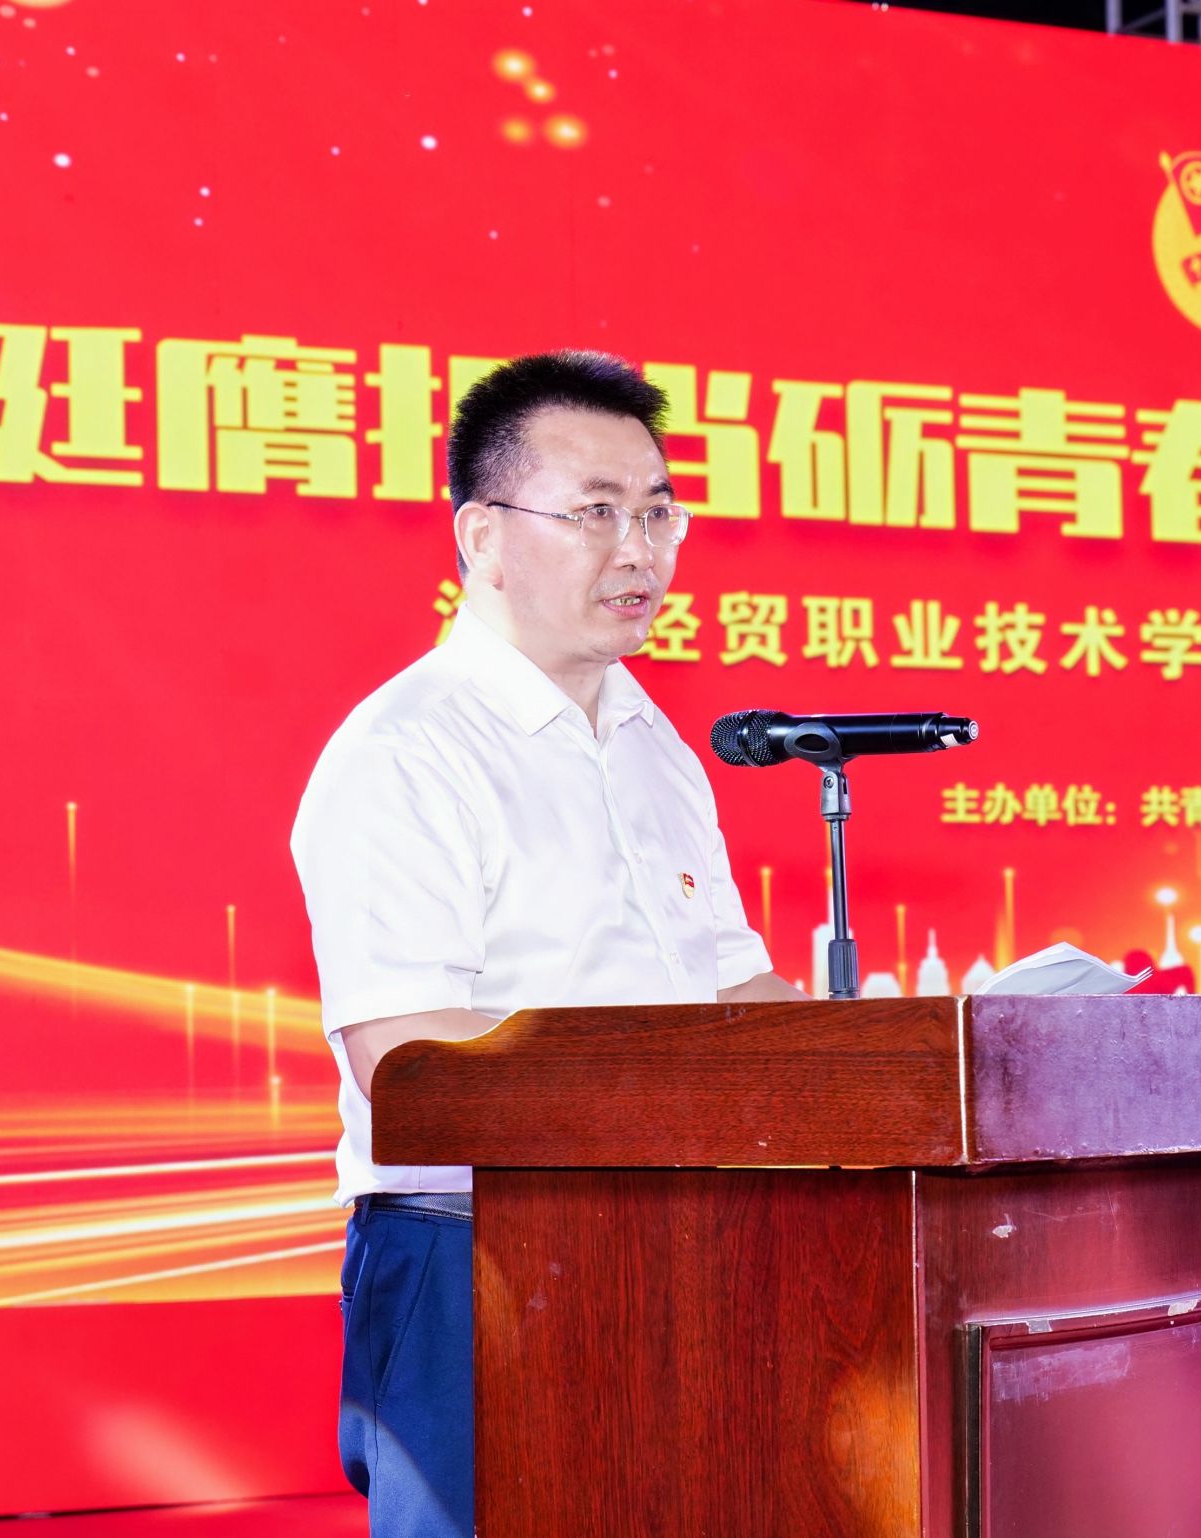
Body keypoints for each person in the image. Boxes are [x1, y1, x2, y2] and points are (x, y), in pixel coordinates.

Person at [289, 351, 803, 1538]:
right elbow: (409, 1060)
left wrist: (880, 1057)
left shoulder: (657, 746)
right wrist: (670, 1098)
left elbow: (731, 982)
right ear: (483, 536)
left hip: (676, 1240)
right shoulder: (406, 751)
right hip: (474, 1259)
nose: (639, 549)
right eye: (596, 513)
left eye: (658, 511)